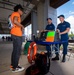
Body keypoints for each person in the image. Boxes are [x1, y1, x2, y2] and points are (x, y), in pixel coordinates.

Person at [10, 4, 25, 72]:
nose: (22, 13)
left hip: (14, 34)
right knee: (17, 51)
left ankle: (13, 65)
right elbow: (15, 21)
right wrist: (22, 26)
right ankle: (15, 67)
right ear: (19, 10)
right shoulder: (16, 13)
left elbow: (14, 22)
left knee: (15, 50)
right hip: (17, 35)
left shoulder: (13, 14)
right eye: (22, 11)